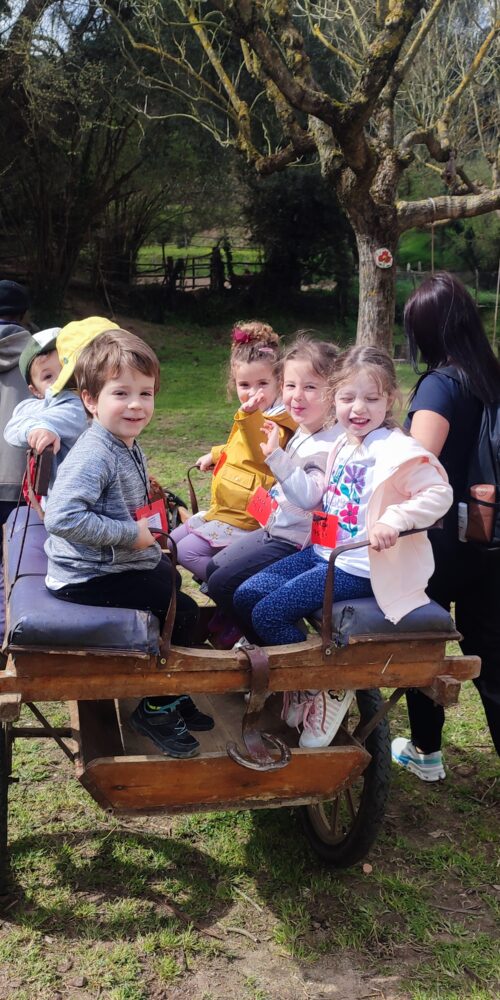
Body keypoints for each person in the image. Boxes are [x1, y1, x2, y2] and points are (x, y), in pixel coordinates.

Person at [233, 345, 453, 748]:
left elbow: (439, 493)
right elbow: (312, 497)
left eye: (371, 398)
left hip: (360, 567)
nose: (358, 408)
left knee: (268, 613)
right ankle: (300, 679)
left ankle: (325, 685)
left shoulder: (395, 447)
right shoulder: (344, 444)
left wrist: (394, 520)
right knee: (246, 594)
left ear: (390, 399)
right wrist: (278, 459)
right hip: (323, 553)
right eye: (348, 397)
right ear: (334, 398)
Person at [43, 330, 212, 759]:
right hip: (86, 575)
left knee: (169, 579)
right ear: (90, 399)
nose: (136, 405)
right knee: (184, 614)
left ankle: (171, 685)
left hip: (112, 562)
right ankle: (155, 708)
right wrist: (129, 534)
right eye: (121, 393)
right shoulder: (95, 453)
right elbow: (61, 517)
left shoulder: (124, 442)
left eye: (145, 393)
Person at [392, 272, 500, 780]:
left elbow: (416, 468)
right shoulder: (491, 377)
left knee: (422, 644)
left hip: (437, 543)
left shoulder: (439, 385)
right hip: (488, 536)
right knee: (493, 659)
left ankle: (426, 752)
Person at [205, 337, 341, 642]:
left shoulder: (329, 441)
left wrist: (276, 458)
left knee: (223, 584)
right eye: (290, 386)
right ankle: (250, 632)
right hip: (277, 528)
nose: (297, 396)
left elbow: (308, 496)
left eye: (310, 387)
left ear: (333, 392)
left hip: (297, 540)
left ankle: (267, 643)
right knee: (214, 569)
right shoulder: (305, 429)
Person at [170, 320, 296, 581]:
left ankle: (232, 588)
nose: (253, 392)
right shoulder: (256, 414)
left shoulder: (278, 421)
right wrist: (216, 455)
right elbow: (239, 448)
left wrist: (249, 416)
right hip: (227, 508)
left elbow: (261, 451)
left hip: (246, 516)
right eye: (244, 385)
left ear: (279, 382)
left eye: (262, 383)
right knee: (171, 542)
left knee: (187, 553)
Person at [4, 317, 120, 498]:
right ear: (35, 391)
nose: (60, 380)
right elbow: (13, 427)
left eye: (64, 368)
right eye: (48, 376)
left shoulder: (52, 405)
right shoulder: (73, 406)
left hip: (62, 498)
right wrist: (38, 428)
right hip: (84, 501)